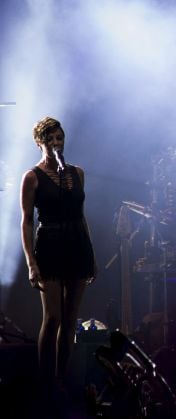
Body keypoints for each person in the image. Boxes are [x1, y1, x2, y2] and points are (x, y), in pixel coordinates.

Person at [20, 116, 97, 388]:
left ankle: (61, 381)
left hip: (76, 243)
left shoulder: (77, 173)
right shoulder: (32, 177)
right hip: (50, 243)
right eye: (50, 139)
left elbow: (81, 214)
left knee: (70, 318)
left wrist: (91, 254)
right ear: (39, 143)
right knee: (52, 316)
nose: (56, 143)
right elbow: (27, 221)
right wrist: (31, 262)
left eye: (60, 138)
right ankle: (45, 384)